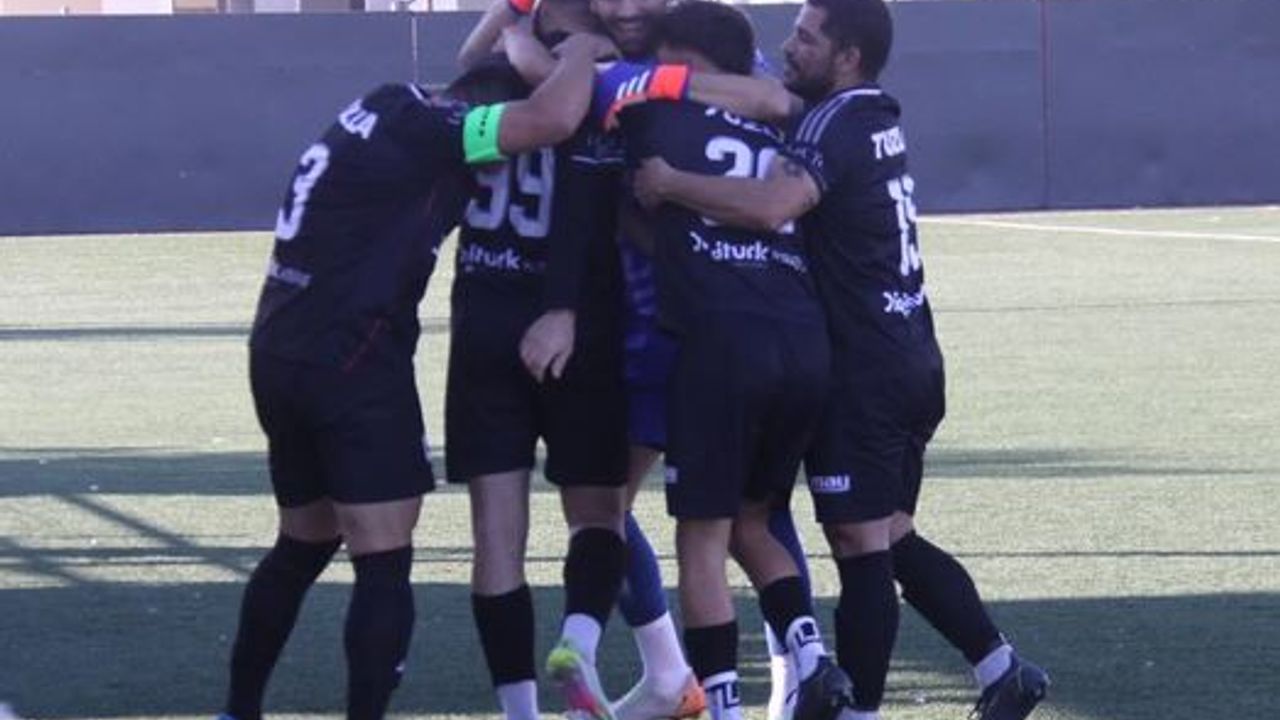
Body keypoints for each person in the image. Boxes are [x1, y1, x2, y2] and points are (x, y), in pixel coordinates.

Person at [632, 1, 1050, 718]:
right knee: (887, 534)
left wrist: (670, 183)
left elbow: (774, 204)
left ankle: (857, 709)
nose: (790, 47)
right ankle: (1001, 668)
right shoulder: (871, 113)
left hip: (866, 365)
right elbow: (770, 103)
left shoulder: (833, 120)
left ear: (847, 55)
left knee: (860, 547)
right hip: (909, 349)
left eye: (806, 37)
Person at [217, 36, 607, 720]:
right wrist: (583, 53)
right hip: (351, 356)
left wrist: (517, 29)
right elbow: (550, 120)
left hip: (278, 344)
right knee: (383, 559)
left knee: (305, 539)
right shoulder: (443, 132)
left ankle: (238, 710)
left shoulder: (386, 103)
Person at [476, 3, 817, 717]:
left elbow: (775, 101)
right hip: (631, 325)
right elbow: (484, 63)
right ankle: (673, 669)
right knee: (608, 503)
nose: (625, 7)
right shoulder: (604, 54)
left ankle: (787, 674)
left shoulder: (695, 51)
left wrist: (626, 75)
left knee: (744, 510)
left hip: (708, 323)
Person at [611, 5, 857, 720]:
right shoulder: (791, 124)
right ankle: (811, 659)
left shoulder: (654, 114)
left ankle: (723, 707)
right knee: (758, 518)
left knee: (702, 538)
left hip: (718, 347)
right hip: (803, 341)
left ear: (689, 62)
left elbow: (627, 203)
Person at [445, 4, 634, 720]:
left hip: (484, 317)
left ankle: (519, 712)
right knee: (599, 516)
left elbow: (467, 62)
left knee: (496, 538)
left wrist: (512, 26)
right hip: (576, 316)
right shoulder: (603, 76)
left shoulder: (484, 79)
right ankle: (579, 642)